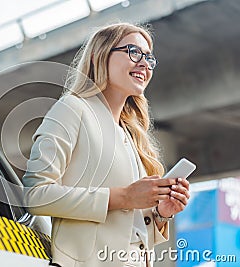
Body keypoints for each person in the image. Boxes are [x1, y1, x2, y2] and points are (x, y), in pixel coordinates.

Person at [22, 22, 190, 267]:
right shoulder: (73, 108)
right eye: (134, 52)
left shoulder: (132, 134)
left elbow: (130, 231)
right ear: (99, 56)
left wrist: (161, 213)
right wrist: (124, 197)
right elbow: (35, 196)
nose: (144, 63)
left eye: (149, 58)